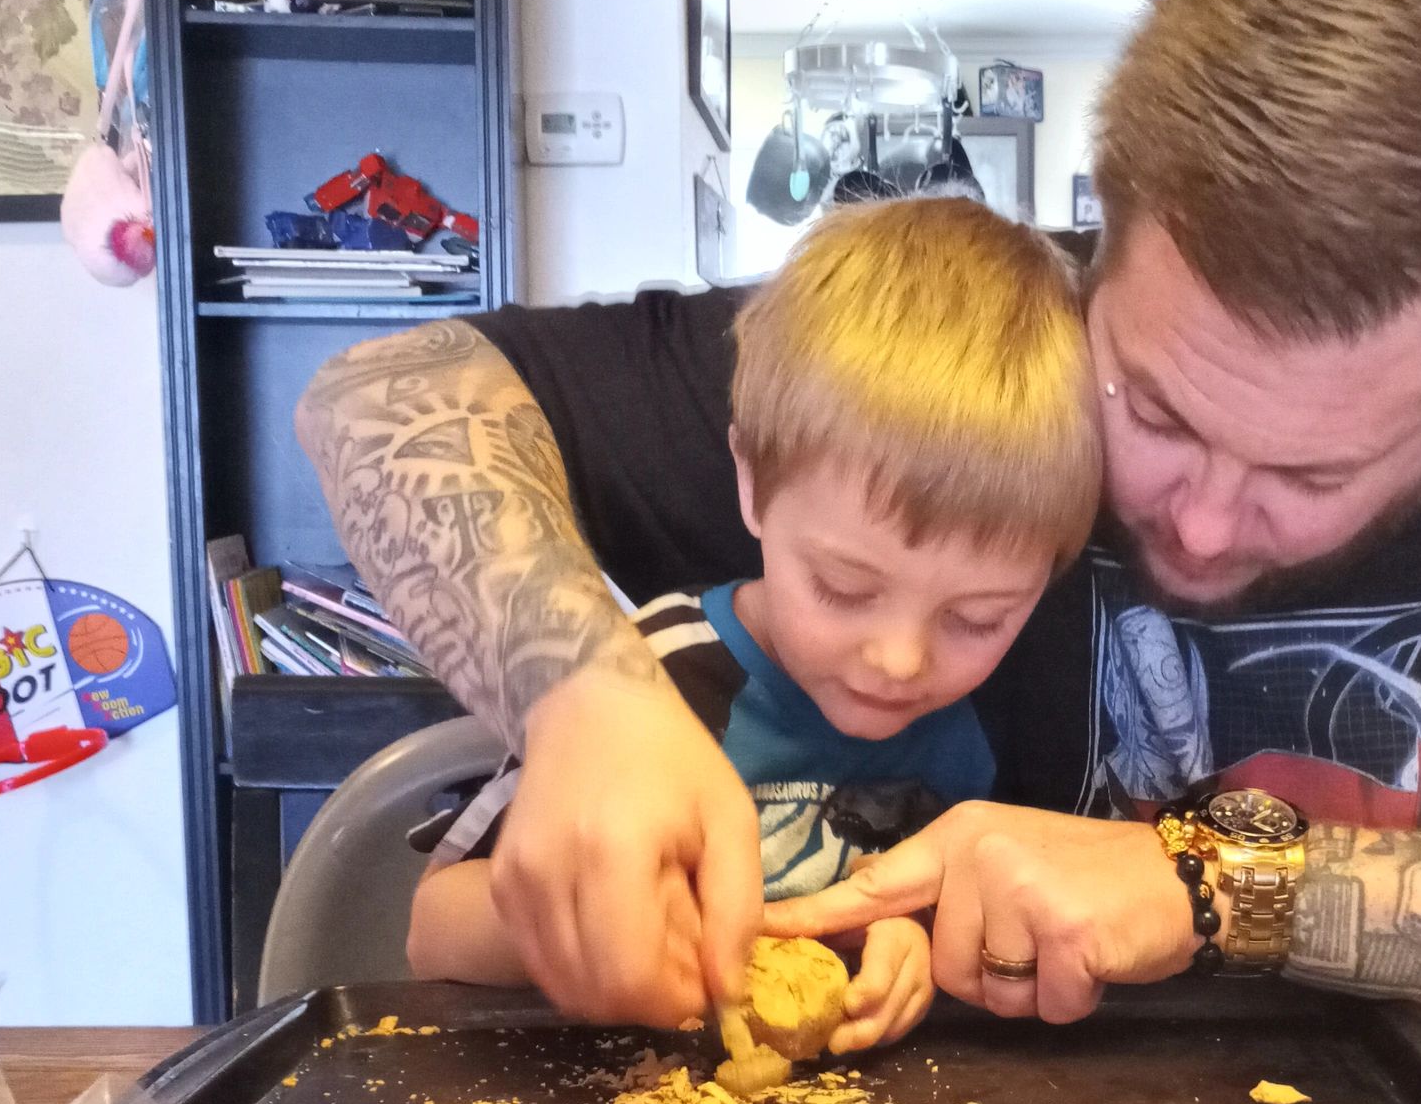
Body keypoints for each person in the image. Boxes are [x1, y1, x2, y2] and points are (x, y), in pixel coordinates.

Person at [297, 0, 1421, 1043]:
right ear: (1102, 235)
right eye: (1152, 404)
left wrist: (1220, 886)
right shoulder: (970, 356)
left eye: (1314, 468)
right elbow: (387, 391)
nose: (1203, 524)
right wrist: (582, 693)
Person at [397, 195, 1099, 1055]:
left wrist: (909, 943)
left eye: (979, 620)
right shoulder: (653, 681)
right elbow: (435, 926)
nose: (901, 660)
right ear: (754, 485)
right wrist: (631, 922)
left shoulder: (1008, 719)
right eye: (843, 588)